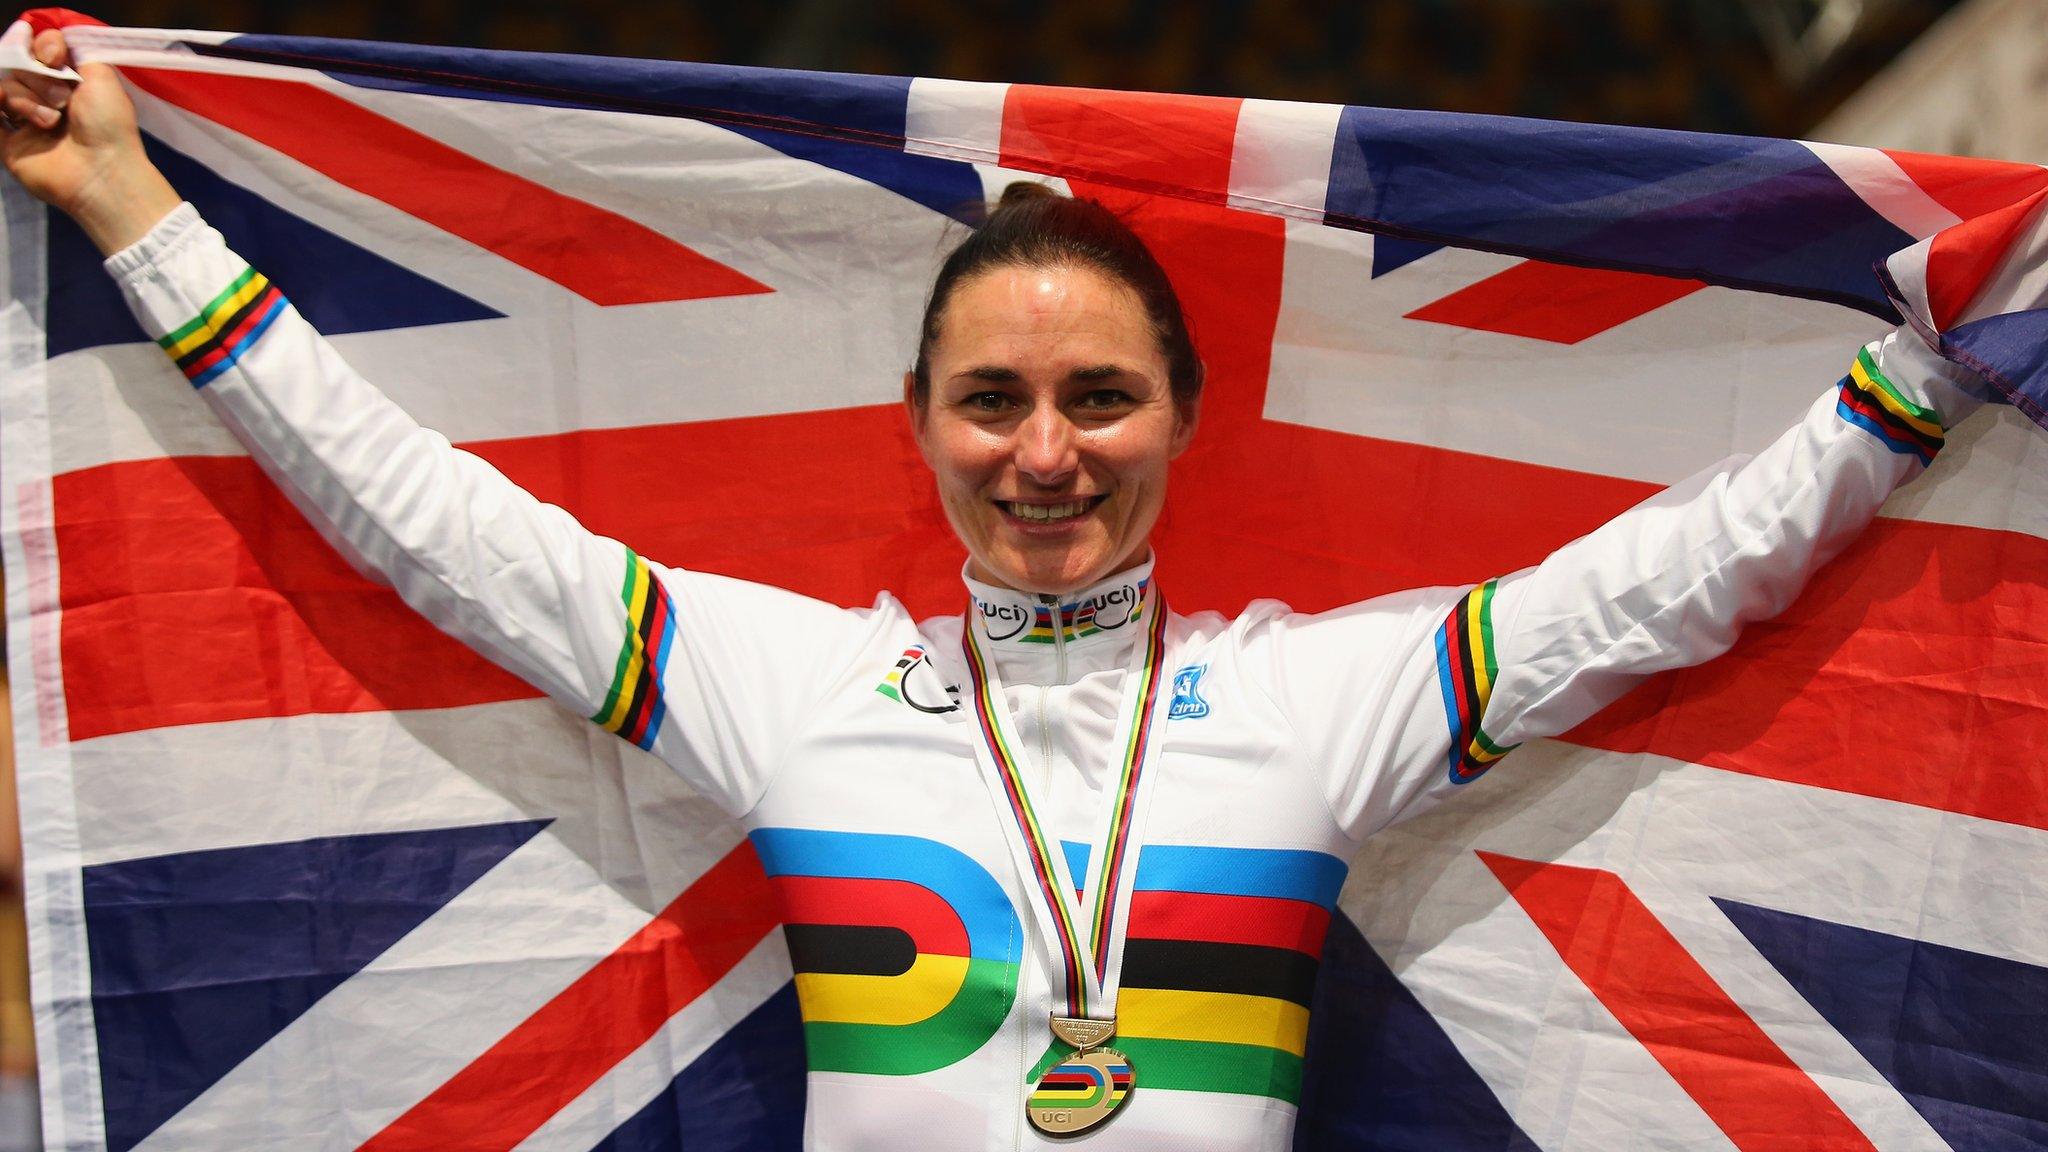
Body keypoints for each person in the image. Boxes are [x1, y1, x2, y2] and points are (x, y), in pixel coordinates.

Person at [2, 28, 1993, 1151]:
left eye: (1098, 397)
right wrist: (131, 207)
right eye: (995, 401)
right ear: (924, 423)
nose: (1046, 452)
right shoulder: (782, 688)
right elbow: (423, 518)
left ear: (1181, 418)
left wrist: (1917, 381)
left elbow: (1661, 587)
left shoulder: (1319, 700)